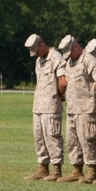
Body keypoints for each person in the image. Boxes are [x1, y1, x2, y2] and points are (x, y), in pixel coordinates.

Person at [59, 35, 96, 183]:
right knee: (72, 141)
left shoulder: (88, 60)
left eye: (69, 52)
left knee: (88, 140)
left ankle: (92, 170)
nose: (69, 55)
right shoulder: (69, 62)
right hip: (72, 108)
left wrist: (90, 94)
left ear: (75, 46)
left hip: (86, 109)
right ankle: (77, 170)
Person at [23, 34, 68, 181]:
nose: (36, 54)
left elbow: (62, 82)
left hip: (51, 105)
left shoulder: (56, 58)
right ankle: (43, 167)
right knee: (39, 137)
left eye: (36, 50)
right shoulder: (38, 61)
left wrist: (59, 96)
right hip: (38, 106)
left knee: (52, 137)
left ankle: (56, 169)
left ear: (42, 45)